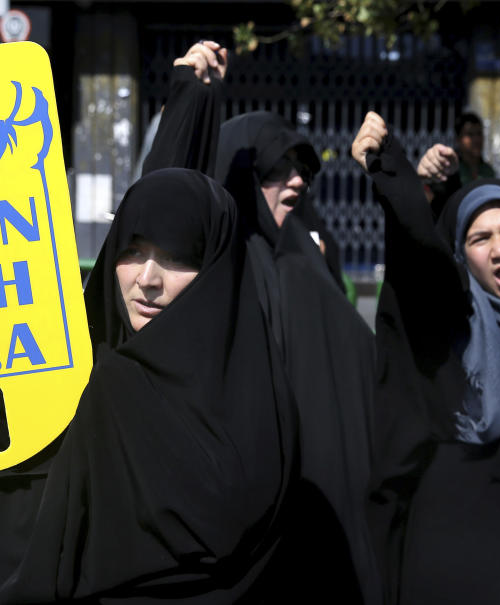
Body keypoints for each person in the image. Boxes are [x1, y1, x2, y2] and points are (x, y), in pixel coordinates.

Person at [0, 168, 332, 603]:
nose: (147, 279)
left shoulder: (132, 390)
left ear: (216, 268)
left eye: (177, 257)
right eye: (132, 251)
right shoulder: (78, 380)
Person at [142, 41, 380, 604]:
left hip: (331, 539)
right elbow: (163, 204)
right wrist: (192, 96)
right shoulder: (219, 263)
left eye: (302, 170)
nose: (295, 182)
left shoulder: (311, 263)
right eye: (275, 169)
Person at [354, 111, 500, 604]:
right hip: (451, 545)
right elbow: (420, 261)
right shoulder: (453, 321)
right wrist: (397, 177)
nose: (499, 248)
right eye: (479, 238)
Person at [418, 111, 496, 218]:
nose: (476, 139)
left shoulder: (488, 170)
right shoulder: (448, 168)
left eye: (479, 133)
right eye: (470, 135)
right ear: (458, 139)